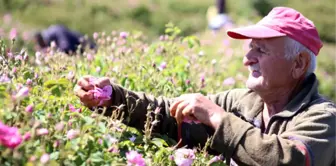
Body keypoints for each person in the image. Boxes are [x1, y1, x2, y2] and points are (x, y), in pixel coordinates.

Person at [75, 7, 336, 166]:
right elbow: (168, 112)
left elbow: (288, 161)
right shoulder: (243, 101)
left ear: (298, 64)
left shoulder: (323, 117)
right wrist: (111, 97)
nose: (247, 59)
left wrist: (216, 117)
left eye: (261, 50)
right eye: (250, 48)